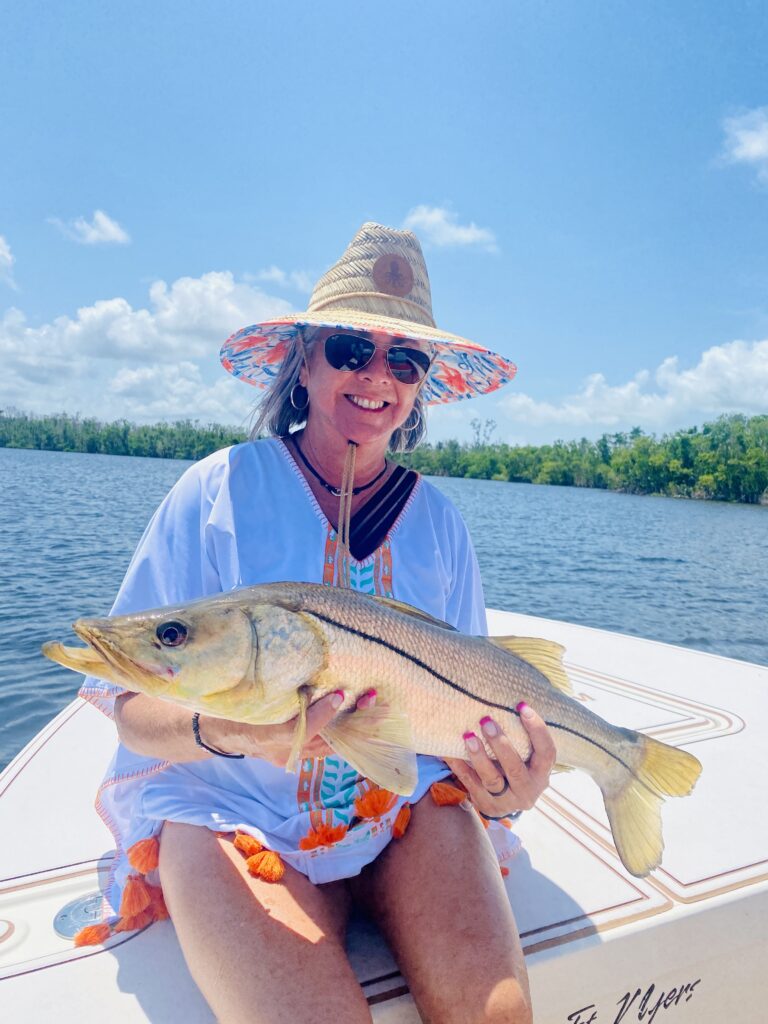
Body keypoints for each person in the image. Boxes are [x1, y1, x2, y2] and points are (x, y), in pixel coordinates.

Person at [79, 222, 556, 1023]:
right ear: (303, 361)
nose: (377, 377)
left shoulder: (441, 525)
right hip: (227, 808)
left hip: (405, 808)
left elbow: (473, 708)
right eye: (349, 350)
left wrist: (510, 788)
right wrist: (238, 734)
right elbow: (131, 712)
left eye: (404, 361)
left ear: (420, 387)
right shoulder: (215, 490)